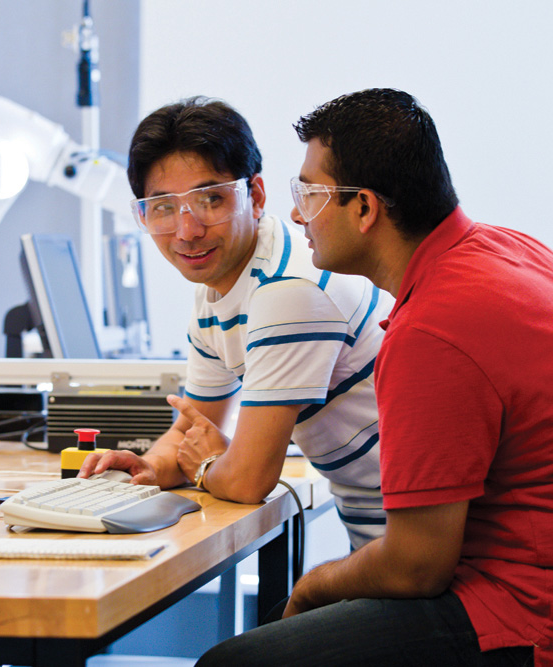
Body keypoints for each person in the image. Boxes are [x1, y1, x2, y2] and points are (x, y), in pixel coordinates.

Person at [196, 88, 553, 666]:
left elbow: (416, 567)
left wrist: (313, 587)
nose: (295, 214)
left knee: (233, 663)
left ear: (365, 209)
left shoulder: (433, 329)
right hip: (518, 572)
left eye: (309, 194)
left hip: (520, 610)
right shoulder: (506, 249)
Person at [78, 97, 392, 550]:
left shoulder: (288, 288)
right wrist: (149, 466)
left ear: (256, 196)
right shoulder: (220, 285)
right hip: (379, 539)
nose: (187, 231)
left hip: (418, 554)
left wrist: (209, 466)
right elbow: (193, 427)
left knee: (289, 612)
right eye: (163, 207)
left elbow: (247, 481)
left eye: (211, 200)